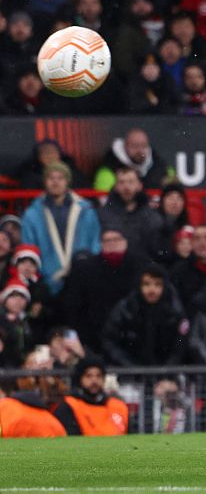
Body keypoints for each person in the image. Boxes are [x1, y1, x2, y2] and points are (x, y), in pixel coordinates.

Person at [20, 161, 100, 293]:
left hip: (81, 279)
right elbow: (28, 247)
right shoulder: (32, 214)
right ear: (45, 181)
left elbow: (95, 242)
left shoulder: (86, 210)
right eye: (51, 178)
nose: (55, 182)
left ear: (67, 181)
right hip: (47, 282)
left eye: (60, 178)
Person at [101, 264, 188, 366]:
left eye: (157, 284)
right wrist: (129, 366)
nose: (152, 290)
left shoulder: (175, 311)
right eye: (146, 284)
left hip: (168, 371)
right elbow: (109, 341)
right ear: (139, 285)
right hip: (128, 370)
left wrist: (167, 369)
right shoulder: (125, 309)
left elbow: (181, 343)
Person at [52, 357, 128, 436]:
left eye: (98, 376)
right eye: (88, 376)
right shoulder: (69, 406)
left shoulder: (118, 406)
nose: (94, 380)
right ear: (80, 379)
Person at [93, 128, 175, 191]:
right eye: (134, 146)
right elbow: (103, 202)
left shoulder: (160, 165)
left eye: (143, 146)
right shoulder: (107, 171)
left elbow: (176, 186)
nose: (140, 151)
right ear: (124, 147)